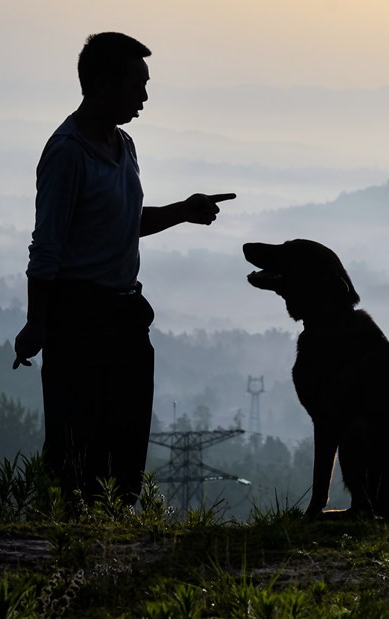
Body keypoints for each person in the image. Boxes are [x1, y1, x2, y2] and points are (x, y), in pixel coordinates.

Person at [12, 32, 236, 506]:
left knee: (126, 444)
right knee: (75, 447)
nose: (144, 97)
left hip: (126, 316)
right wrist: (37, 322)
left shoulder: (125, 145)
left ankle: (114, 532)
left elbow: (122, 223)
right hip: (79, 319)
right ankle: (68, 535)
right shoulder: (67, 153)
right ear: (102, 84)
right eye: (137, 85)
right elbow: (47, 245)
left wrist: (183, 210)